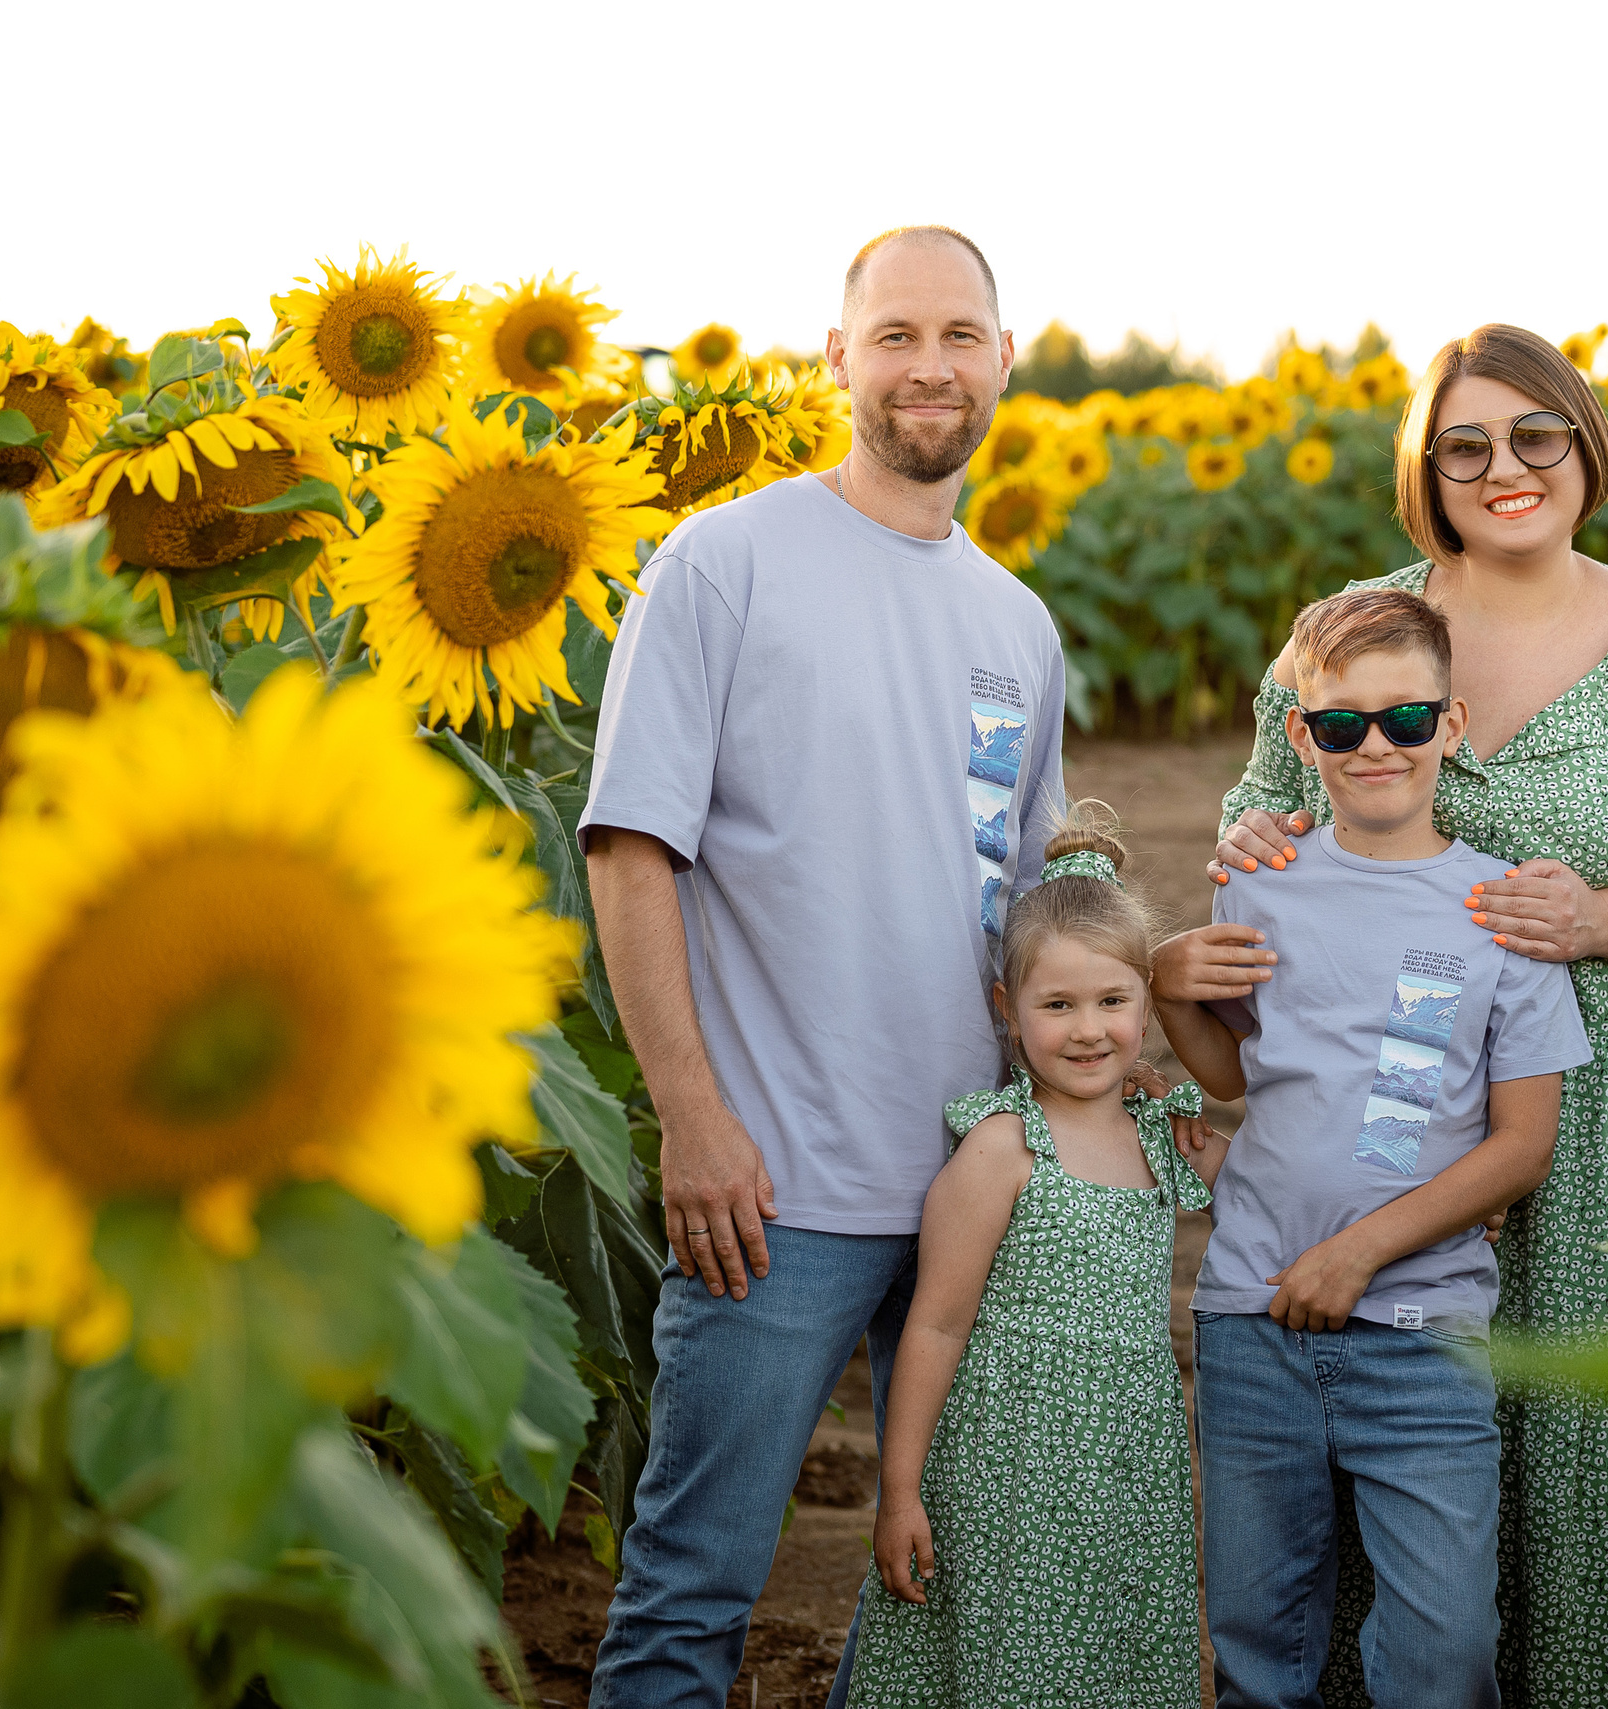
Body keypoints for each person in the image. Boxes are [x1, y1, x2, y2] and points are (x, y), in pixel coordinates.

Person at [1153, 325, 1608, 1708]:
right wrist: (1253, 840)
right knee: (1383, 1487)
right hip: (1389, 1126)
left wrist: (1602, 919)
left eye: (1534, 435)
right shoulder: (1356, 629)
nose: (1505, 468)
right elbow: (1263, 816)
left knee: (1582, 1469)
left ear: (1584, 444)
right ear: (1427, 473)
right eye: (1466, 446)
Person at [579, 226, 1069, 1709]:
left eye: (961, 335)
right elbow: (629, 851)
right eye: (898, 333)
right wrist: (693, 1117)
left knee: (936, 1595)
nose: (932, 366)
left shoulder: (1019, 626)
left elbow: (1033, 914)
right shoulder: (726, 562)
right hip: (771, 1192)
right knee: (691, 1592)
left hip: (964, 1186)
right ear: (838, 356)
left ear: (1002, 359)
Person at [1156, 586, 1593, 1709]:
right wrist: (1169, 988)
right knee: (1259, 1639)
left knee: (1443, 1651)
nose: (1375, 746)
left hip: (1423, 1335)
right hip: (1252, 1319)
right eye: (1341, 724)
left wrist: (1360, 1251)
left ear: (1452, 723)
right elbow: (1234, 1073)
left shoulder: (1500, 911)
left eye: (1405, 718)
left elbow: (1522, 1145)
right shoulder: (1260, 881)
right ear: (1300, 737)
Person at [846, 806, 1210, 1708]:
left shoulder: (1165, 1133)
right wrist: (900, 1494)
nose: (1088, 1029)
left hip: (1127, 1466)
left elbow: (1279, 1182)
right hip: (1009, 1473)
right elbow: (934, 1323)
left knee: (1114, 1662)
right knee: (1017, 1667)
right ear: (1008, 1010)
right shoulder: (1004, 1147)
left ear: (1144, 1003)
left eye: (1112, 1001)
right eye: (1058, 1004)